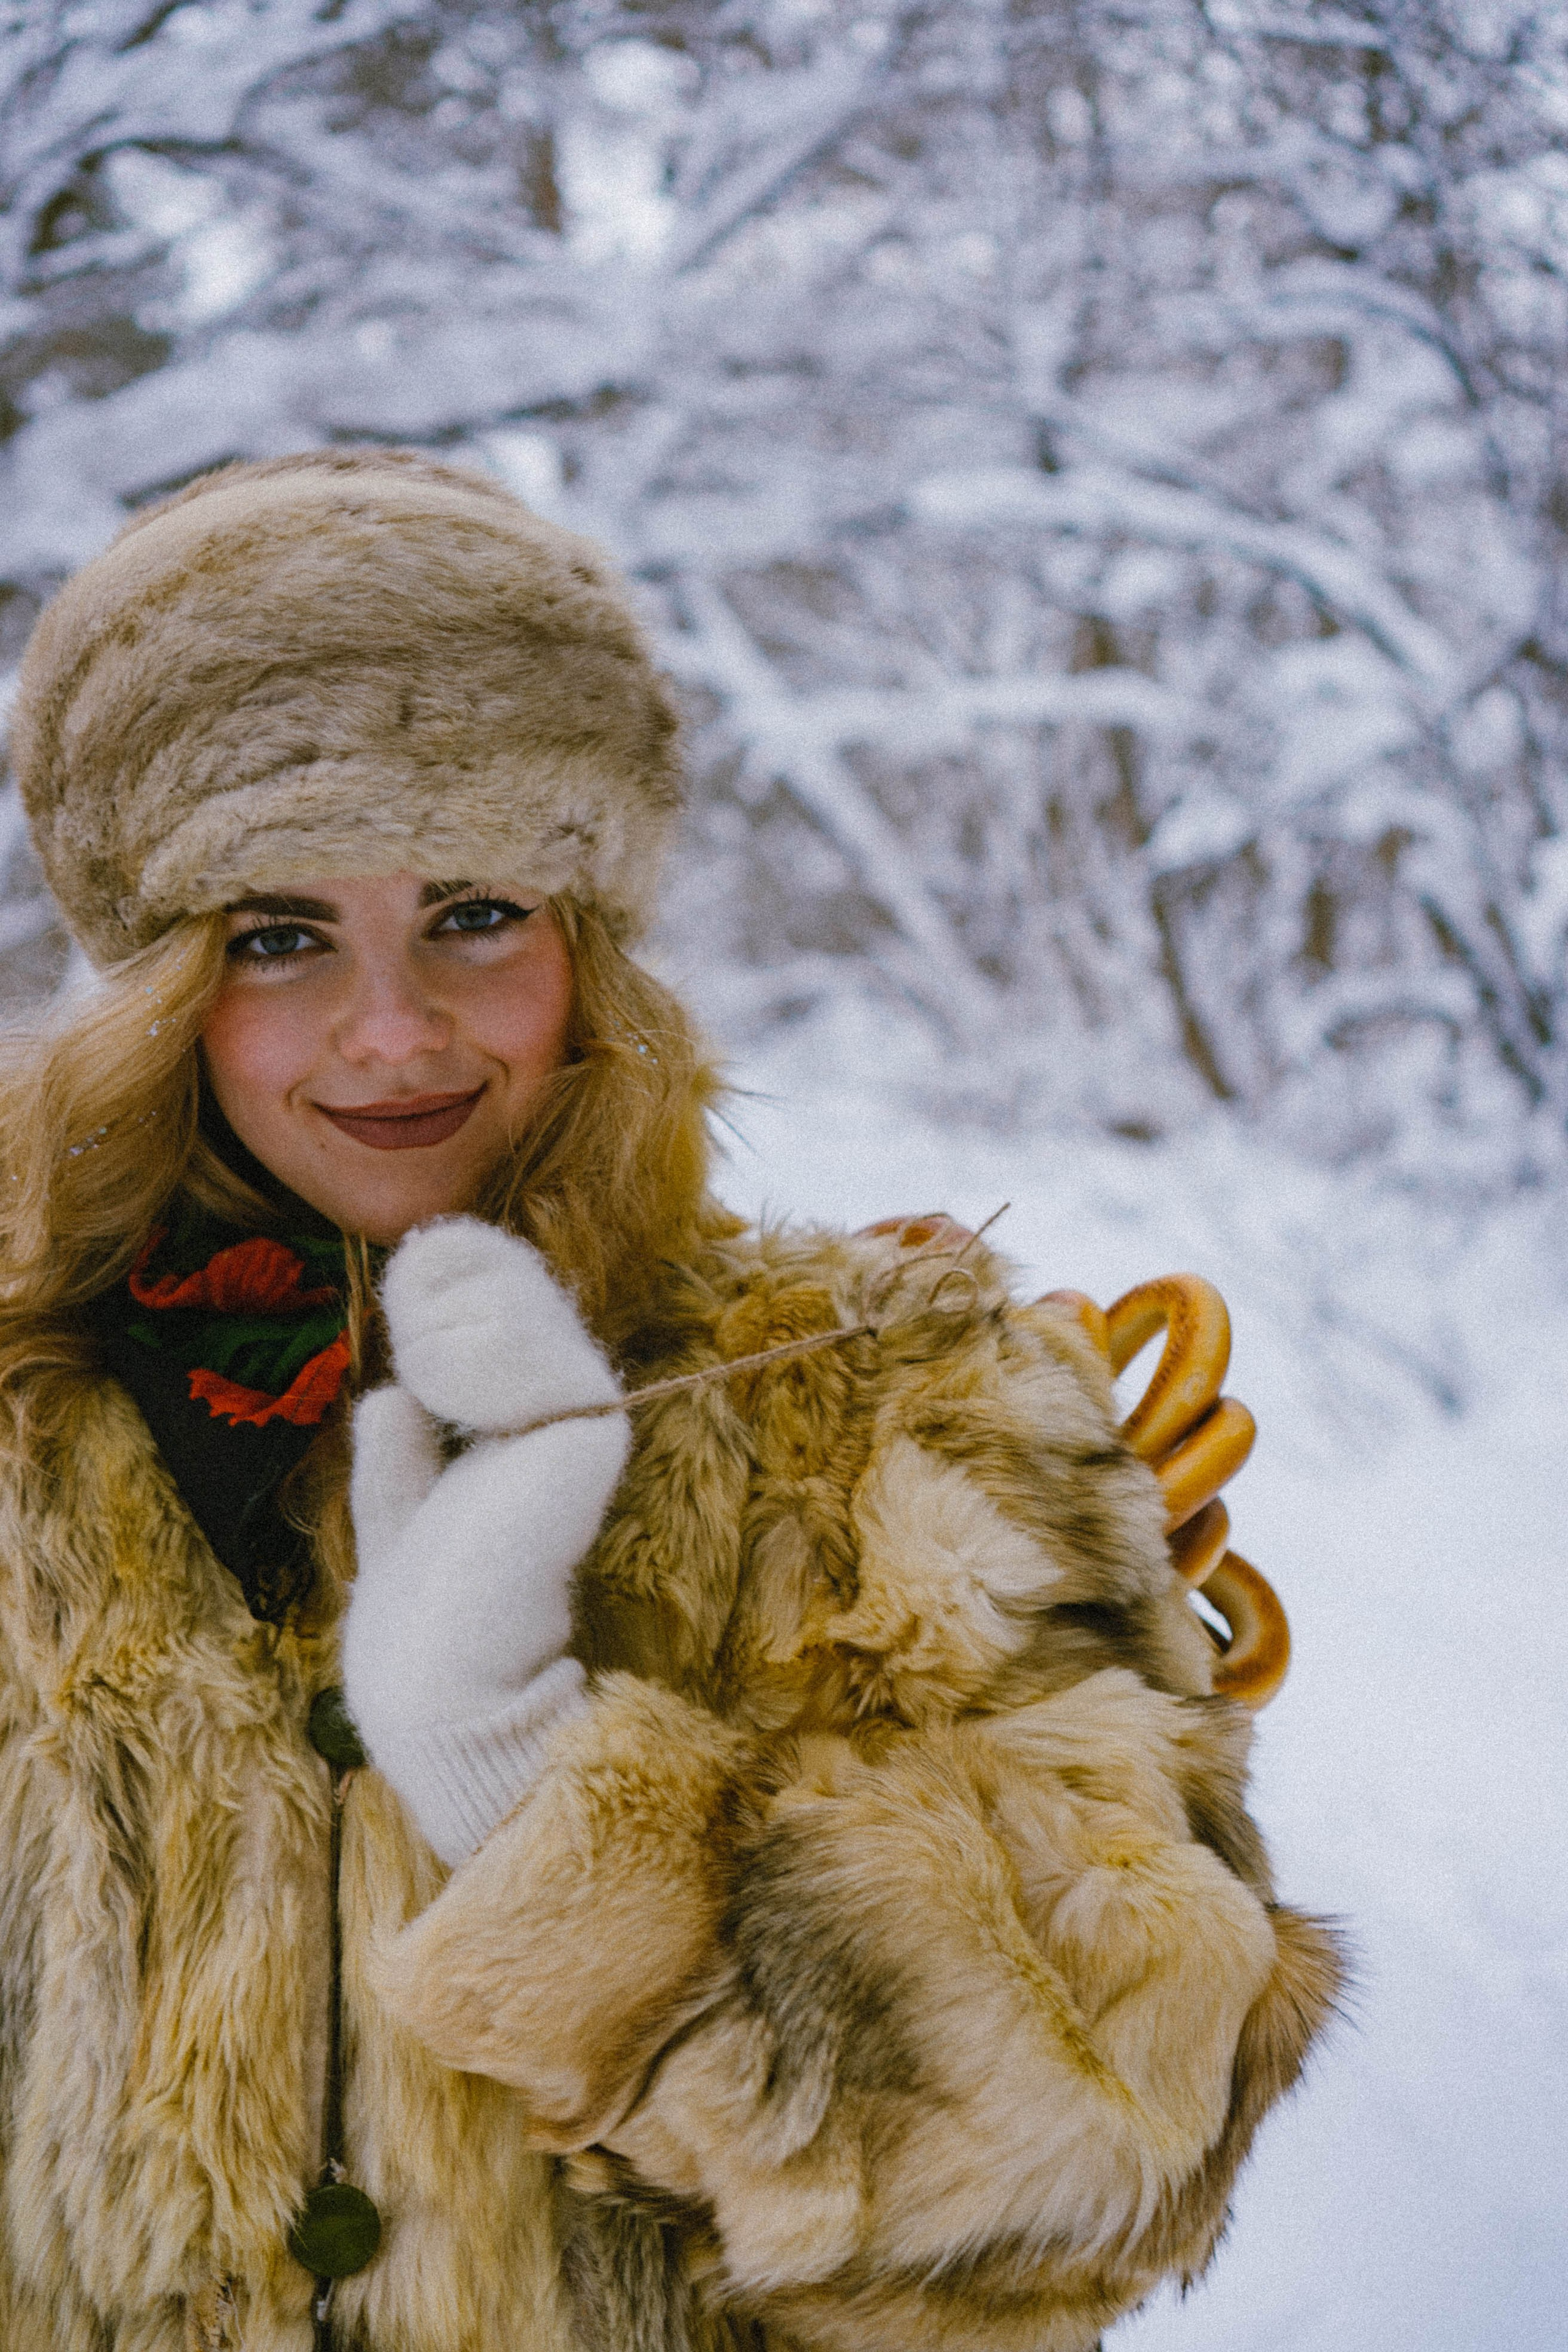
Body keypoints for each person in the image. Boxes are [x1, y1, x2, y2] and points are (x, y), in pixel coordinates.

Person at [0, 450, 1342, 2352]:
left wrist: (534, 1798)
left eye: (474, 910)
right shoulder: (25, 1436)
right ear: (160, 981)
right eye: (279, 934)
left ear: (590, 936)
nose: (391, 1030)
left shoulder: (887, 1413)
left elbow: (1098, 2165)